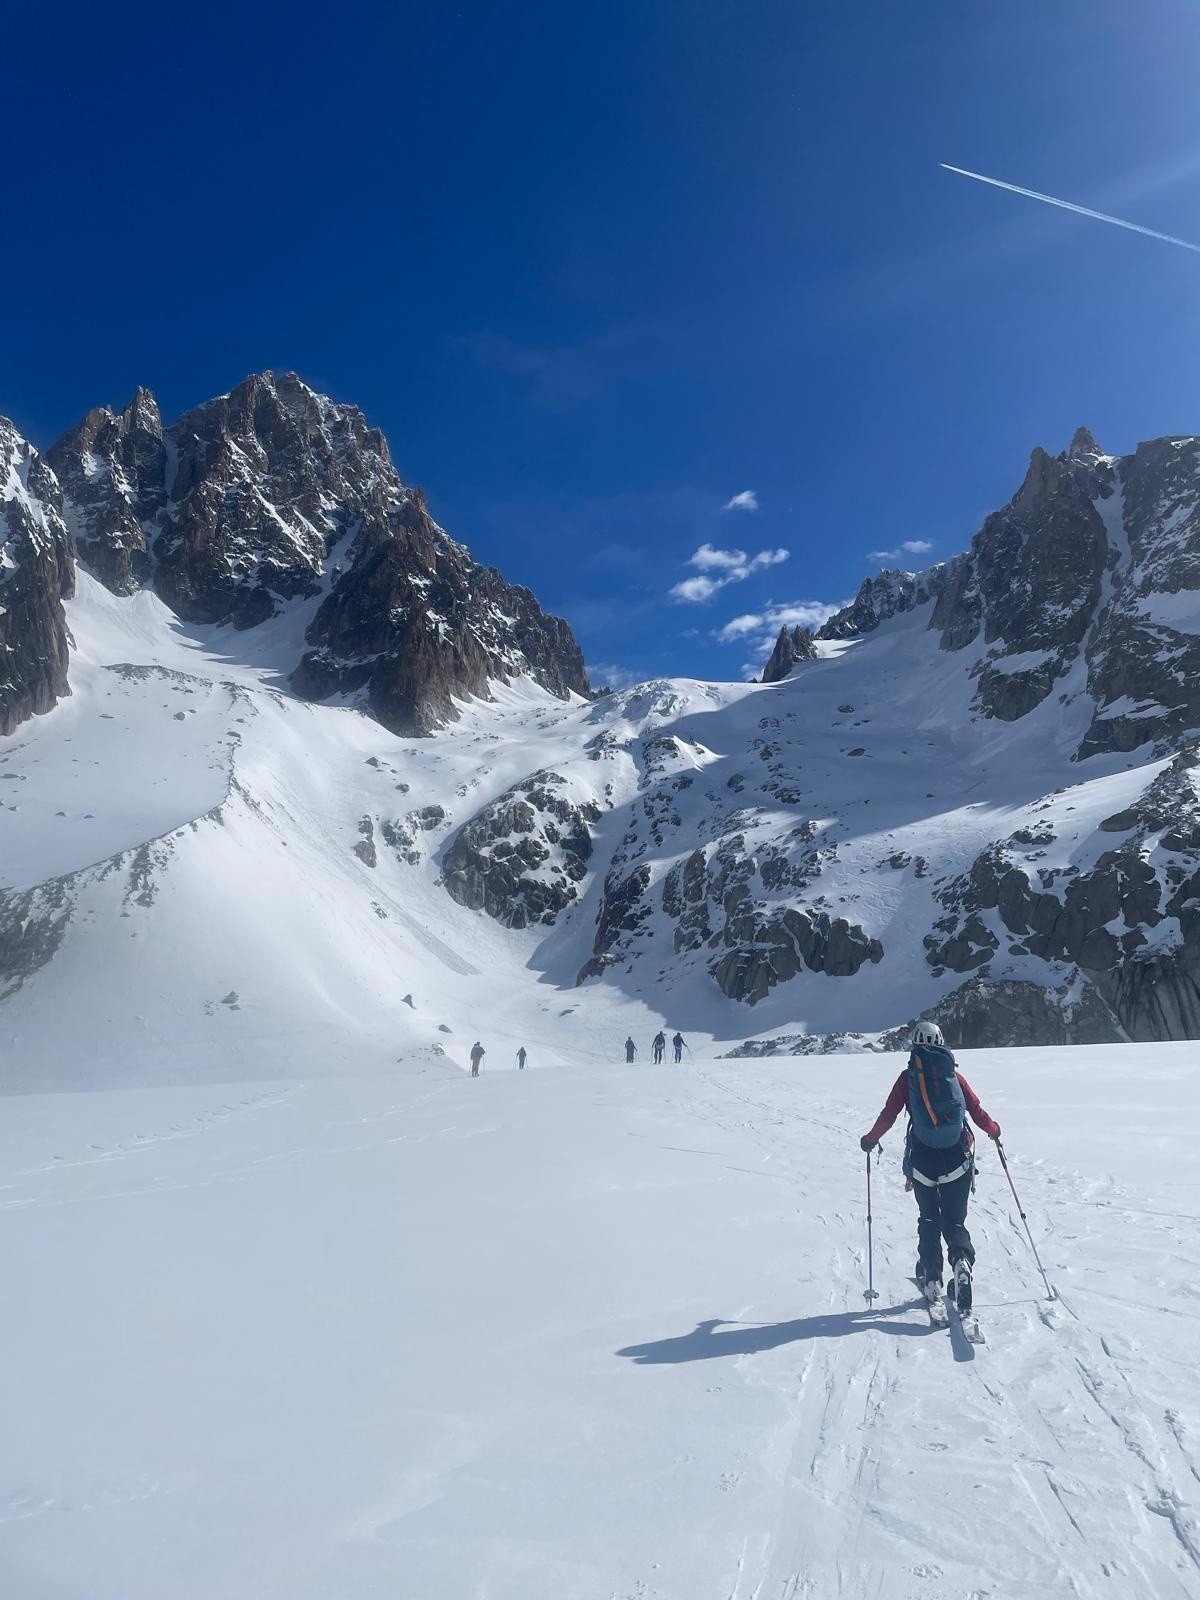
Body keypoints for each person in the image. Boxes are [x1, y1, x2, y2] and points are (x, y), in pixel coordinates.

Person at [859, 1021, 999, 1314]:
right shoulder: (954, 1077)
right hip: (958, 1160)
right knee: (954, 1221)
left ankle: (932, 1277)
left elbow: (889, 1115)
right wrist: (994, 1130)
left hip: (923, 1162)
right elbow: (975, 1110)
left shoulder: (906, 1079)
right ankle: (961, 1261)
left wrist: (871, 1140)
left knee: (929, 1219)